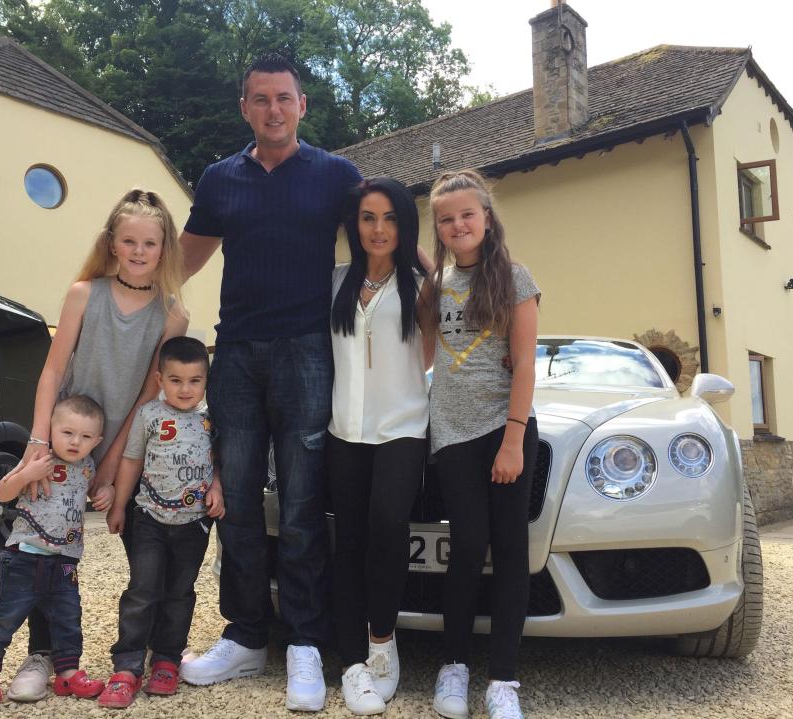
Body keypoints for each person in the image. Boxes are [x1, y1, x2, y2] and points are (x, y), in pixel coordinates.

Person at [177, 53, 362, 712]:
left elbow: (383, 240)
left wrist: (444, 283)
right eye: (260, 99)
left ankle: (306, 644)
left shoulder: (336, 175)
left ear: (302, 105)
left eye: (284, 98)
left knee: (305, 504)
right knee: (239, 505)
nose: (273, 109)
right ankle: (248, 633)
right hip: (236, 358)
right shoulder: (220, 180)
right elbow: (179, 266)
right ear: (245, 108)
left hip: (309, 354)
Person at [7, 189, 189, 702]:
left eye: (148, 243)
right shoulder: (85, 293)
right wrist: (38, 443)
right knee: (47, 549)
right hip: (63, 441)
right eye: (128, 240)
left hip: (128, 449)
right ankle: (43, 655)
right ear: (112, 243)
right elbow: (53, 369)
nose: (137, 251)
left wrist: (110, 470)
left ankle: (150, 654)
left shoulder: (172, 315)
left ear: (164, 248)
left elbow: (145, 399)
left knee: (146, 556)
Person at [426, 170, 540, 719]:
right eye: (446, 219)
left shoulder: (515, 279)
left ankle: (503, 681)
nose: (457, 225)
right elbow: (424, 356)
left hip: (505, 426)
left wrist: (513, 439)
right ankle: (453, 667)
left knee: (511, 551)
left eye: (467, 214)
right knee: (467, 547)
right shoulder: (436, 286)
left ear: (487, 218)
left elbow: (523, 364)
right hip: (450, 432)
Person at [328, 177, 433, 715]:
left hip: (402, 428)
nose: (378, 229)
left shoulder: (421, 286)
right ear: (355, 224)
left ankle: (382, 643)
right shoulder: (337, 283)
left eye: (391, 218)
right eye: (368, 217)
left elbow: (441, 345)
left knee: (388, 528)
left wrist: (420, 260)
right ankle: (350, 661)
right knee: (347, 542)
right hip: (345, 430)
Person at [97, 336, 226, 708]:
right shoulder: (149, 416)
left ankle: (168, 658)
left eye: (194, 380)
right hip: (150, 519)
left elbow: (217, 460)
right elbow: (132, 461)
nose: (185, 389)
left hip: (194, 523)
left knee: (180, 592)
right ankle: (127, 665)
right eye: (175, 380)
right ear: (159, 378)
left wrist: (218, 486)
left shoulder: (209, 418)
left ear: (205, 380)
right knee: (142, 589)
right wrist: (118, 505)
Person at [0, 396, 106, 704]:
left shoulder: (88, 466)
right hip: (24, 556)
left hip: (67, 562)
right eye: (67, 432)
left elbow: (94, 490)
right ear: (51, 429)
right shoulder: (38, 457)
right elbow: (3, 493)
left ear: (97, 441)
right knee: (6, 615)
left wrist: (105, 491)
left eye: (85, 437)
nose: (75, 442)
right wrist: (26, 475)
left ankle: (68, 673)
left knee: (69, 616)